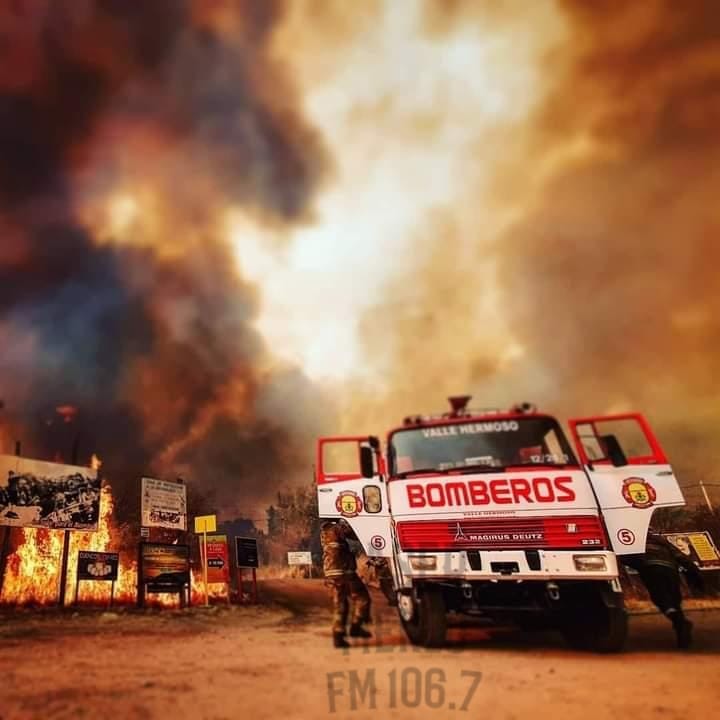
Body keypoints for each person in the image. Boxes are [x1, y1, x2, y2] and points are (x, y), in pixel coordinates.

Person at [622, 531, 704, 649]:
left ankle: (680, 622)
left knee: (663, 601)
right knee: (674, 601)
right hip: (671, 569)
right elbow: (680, 556)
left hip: (652, 569)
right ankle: (681, 627)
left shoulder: (632, 540)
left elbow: (629, 558)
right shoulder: (660, 540)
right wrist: (695, 574)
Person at [320, 519, 372, 648]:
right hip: (343, 572)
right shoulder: (336, 528)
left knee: (341, 603)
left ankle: (342, 633)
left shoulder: (325, 530)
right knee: (361, 598)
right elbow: (355, 534)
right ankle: (352, 628)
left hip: (334, 572)